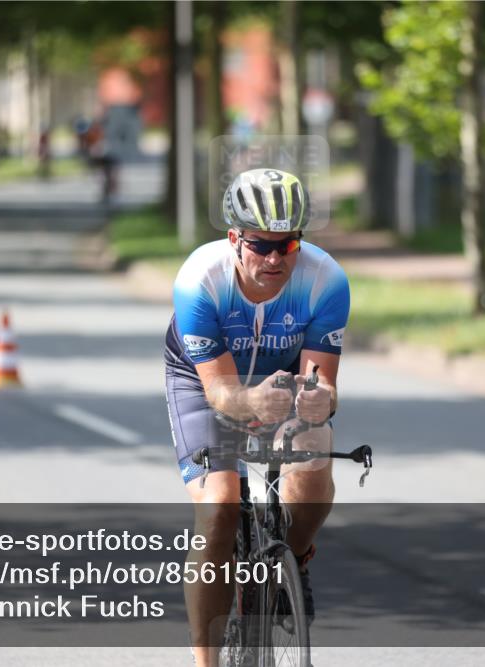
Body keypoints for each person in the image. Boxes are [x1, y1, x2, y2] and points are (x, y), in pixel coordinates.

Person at [164, 168, 349, 666]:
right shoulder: (199, 280)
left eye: (286, 246)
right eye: (260, 245)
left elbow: (323, 383)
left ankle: (292, 562)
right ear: (233, 239)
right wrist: (250, 403)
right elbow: (221, 391)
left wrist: (319, 400)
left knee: (314, 454)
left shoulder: (325, 280)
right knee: (220, 506)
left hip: (282, 380)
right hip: (206, 381)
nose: (273, 259)